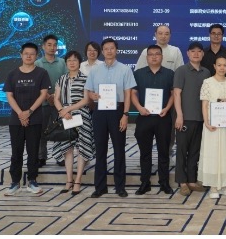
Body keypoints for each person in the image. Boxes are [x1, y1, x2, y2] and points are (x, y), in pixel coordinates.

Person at [85, 38, 136, 198]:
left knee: (119, 149)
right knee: (100, 150)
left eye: (112, 48)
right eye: (106, 48)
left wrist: (125, 115)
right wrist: (92, 95)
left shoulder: (125, 69)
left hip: (118, 111)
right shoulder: (95, 70)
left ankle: (120, 186)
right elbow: (88, 92)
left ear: (116, 50)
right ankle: (100, 187)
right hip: (99, 111)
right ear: (102, 51)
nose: (109, 51)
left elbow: (128, 94)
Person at [4, 42, 50, 196]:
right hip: (16, 120)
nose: (29, 56)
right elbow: (9, 95)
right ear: (21, 55)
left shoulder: (42, 73)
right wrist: (20, 113)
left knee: (33, 151)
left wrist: (29, 112)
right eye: (26, 54)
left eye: (32, 54)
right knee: (16, 152)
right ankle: (15, 183)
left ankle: (32, 181)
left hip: (35, 118)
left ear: (36, 56)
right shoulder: (12, 74)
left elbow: (43, 94)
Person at [132, 45, 175, 195]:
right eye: (151, 54)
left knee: (164, 152)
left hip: (163, 118)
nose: (154, 57)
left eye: (157, 54)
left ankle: (164, 183)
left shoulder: (170, 73)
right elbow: (133, 93)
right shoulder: (138, 73)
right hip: (144, 117)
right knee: (145, 152)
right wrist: (139, 108)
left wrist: (167, 108)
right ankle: (145, 183)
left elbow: (173, 94)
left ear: (162, 57)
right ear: (147, 57)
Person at [52, 50, 95, 196]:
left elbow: (86, 100)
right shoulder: (61, 79)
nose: (72, 63)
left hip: (81, 116)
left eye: (75, 60)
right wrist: (62, 111)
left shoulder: (86, 79)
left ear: (79, 62)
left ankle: (78, 181)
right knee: (67, 149)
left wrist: (68, 109)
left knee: (82, 148)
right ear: (66, 63)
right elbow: (56, 98)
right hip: (65, 116)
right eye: (69, 60)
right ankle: (69, 180)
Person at [173, 42, 211, 196]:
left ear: (203, 54)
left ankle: (192, 180)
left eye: (199, 51)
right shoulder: (181, 70)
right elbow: (176, 94)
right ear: (187, 53)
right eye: (193, 51)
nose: (196, 54)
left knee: (195, 151)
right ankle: (182, 182)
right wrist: (179, 115)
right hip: (185, 118)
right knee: (182, 151)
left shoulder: (206, 72)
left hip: (201, 118)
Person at [198, 56, 226, 198]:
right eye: (219, 65)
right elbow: (204, 104)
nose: (222, 68)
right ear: (214, 66)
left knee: (225, 152)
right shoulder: (207, 82)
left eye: (224, 65)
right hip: (212, 124)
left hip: (225, 124)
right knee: (212, 152)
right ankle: (213, 187)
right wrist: (206, 122)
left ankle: (224, 185)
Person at [35, 34, 67, 167]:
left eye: (55, 45)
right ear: (43, 47)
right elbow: (36, 83)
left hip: (59, 103)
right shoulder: (37, 63)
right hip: (42, 103)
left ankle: (59, 156)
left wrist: (55, 96)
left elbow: (65, 80)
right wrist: (47, 96)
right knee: (41, 131)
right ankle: (41, 157)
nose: (52, 47)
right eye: (49, 45)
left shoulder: (62, 62)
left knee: (59, 130)